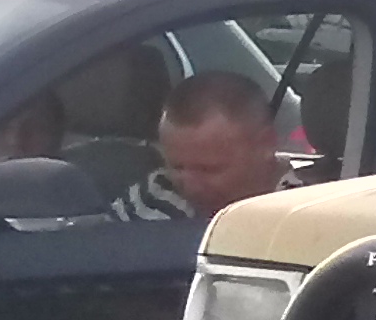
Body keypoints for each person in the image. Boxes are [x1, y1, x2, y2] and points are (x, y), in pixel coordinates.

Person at [113, 72, 295, 222]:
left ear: (265, 144)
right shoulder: (154, 195)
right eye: (177, 167)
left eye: (208, 169)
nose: (191, 187)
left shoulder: (300, 210)